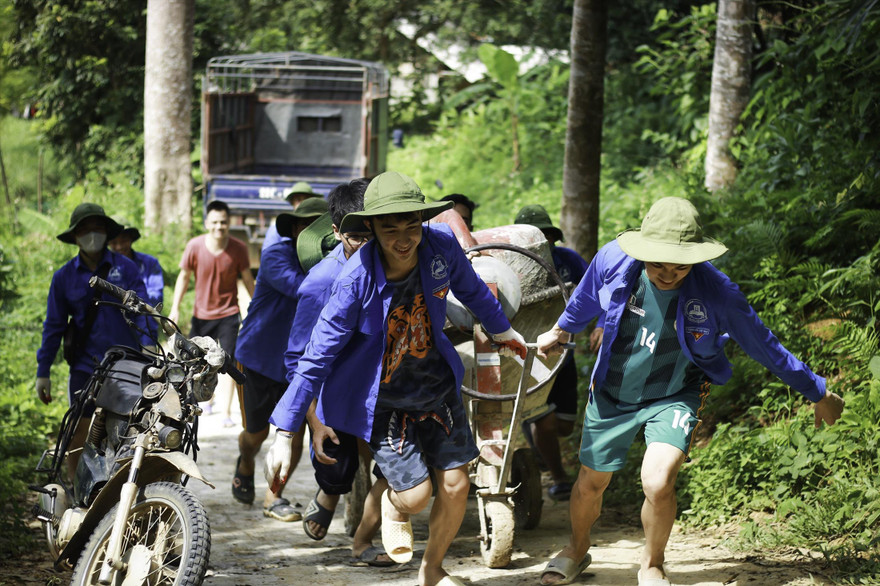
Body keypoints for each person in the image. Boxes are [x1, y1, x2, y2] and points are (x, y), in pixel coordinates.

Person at [535, 197, 845, 586]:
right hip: (612, 391)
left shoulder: (718, 293)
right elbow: (583, 298)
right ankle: (577, 549)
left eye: (680, 265)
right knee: (591, 482)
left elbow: (764, 345)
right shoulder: (613, 259)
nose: (668, 274)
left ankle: (652, 563)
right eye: (657, 263)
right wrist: (561, 330)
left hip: (674, 392)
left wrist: (817, 391)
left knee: (658, 481)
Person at [265, 171, 527, 586]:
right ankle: (392, 501)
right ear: (370, 227)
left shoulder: (439, 247)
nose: (403, 239)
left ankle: (432, 569)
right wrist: (285, 429)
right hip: (383, 398)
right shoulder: (352, 282)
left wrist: (504, 331)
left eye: (412, 226)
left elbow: (474, 290)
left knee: (457, 486)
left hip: (437, 385)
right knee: (415, 497)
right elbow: (314, 357)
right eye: (390, 229)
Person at [282, 178, 394, 566]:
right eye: (354, 236)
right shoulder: (321, 283)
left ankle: (366, 537)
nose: (365, 245)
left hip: (385, 376)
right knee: (336, 462)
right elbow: (299, 360)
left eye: (372, 234)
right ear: (336, 232)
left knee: (396, 463)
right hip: (336, 384)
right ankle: (329, 494)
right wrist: (312, 421)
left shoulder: (397, 261)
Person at [232, 197, 329, 518]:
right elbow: (303, 289)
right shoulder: (276, 256)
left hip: (300, 364)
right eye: (305, 226)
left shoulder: (331, 262)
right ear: (296, 230)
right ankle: (245, 462)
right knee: (256, 434)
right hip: (260, 358)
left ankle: (274, 498)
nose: (309, 232)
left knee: (294, 431)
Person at [36, 203, 151, 475]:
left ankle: (120, 495)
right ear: (75, 237)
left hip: (127, 365)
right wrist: (44, 371)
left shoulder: (127, 269)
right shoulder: (63, 277)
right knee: (79, 432)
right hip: (86, 367)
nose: (92, 235)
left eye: (97, 229)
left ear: (107, 233)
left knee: (127, 431)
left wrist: (148, 343)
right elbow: (54, 325)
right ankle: (78, 495)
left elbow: (143, 308)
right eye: (85, 230)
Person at [514, 204, 589, 501]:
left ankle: (537, 441)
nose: (541, 243)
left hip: (564, 356)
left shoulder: (568, 261)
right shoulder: (507, 265)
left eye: (546, 236)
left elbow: (593, 290)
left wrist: (600, 325)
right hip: (529, 356)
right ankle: (558, 477)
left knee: (564, 426)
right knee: (544, 421)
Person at [168, 199, 255, 423]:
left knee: (226, 362)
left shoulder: (238, 248)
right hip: (201, 315)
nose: (219, 227)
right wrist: (175, 308)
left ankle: (226, 412)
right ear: (207, 223)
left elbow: (247, 280)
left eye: (223, 223)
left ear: (229, 223)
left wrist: (257, 309)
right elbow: (184, 277)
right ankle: (206, 400)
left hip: (228, 314)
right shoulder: (194, 246)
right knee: (197, 362)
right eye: (215, 222)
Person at [108, 220, 164, 308]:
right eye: (114, 243)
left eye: (124, 241)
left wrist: (136, 301)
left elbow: (156, 295)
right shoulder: (104, 266)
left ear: (131, 239)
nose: (119, 247)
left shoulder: (149, 263)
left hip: (145, 315)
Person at [262, 181, 320, 250]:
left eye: (306, 199)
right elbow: (270, 254)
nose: (303, 203)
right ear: (292, 202)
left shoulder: (319, 226)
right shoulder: (275, 230)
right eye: (298, 200)